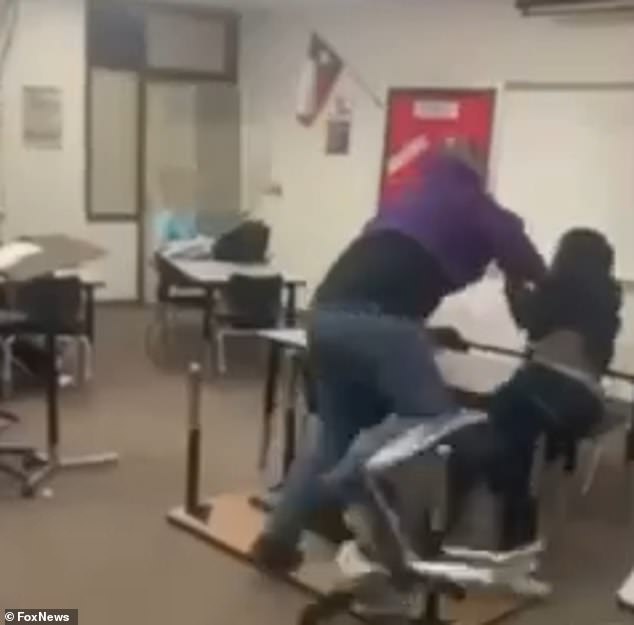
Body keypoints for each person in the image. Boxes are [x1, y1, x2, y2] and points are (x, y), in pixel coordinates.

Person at [251, 142, 546, 572]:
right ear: (475, 174)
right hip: (381, 323)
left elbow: (379, 279)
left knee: (331, 437)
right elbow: (534, 267)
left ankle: (277, 541)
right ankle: (354, 477)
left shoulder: (401, 203)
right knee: (432, 420)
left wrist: (421, 332)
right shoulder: (478, 206)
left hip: (323, 317)